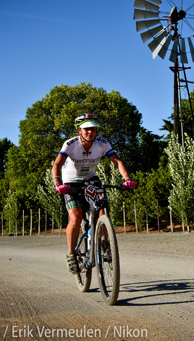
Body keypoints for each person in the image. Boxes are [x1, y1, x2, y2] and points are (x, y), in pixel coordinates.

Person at [51, 112, 135, 274]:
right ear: (79, 130)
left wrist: (127, 179)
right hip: (70, 182)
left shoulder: (102, 143)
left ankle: (104, 241)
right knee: (75, 217)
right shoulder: (70, 144)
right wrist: (57, 183)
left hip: (91, 179)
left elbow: (116, 161)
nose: (91, 132)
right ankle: (71, 254)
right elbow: (57, 164)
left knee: (102, 206)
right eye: (86, 129)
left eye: (94, 129)